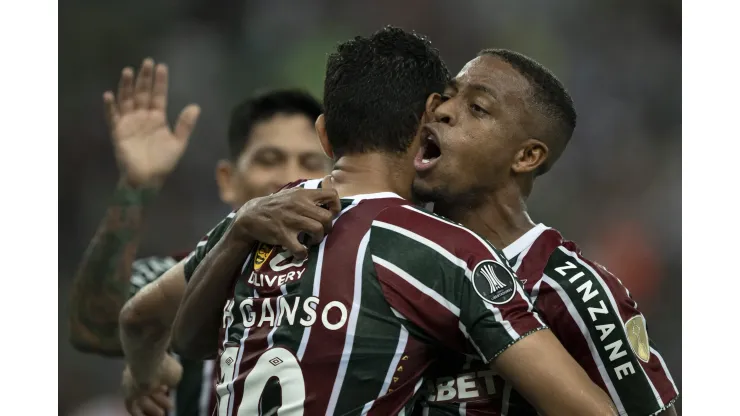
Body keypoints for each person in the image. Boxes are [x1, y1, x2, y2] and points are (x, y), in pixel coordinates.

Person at [168, 27, 617, 416]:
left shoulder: (264, 215)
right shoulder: (444, 252)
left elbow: (179, 337)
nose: (450, 114)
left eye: (475, 108)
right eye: (448, 104)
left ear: (323, 136)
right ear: (426, 127)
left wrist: (238, 231)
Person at [408, 50, 679, 416]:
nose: (442, 110)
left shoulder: (570, 290)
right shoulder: (390, 246)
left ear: (526, 157)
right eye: (448, 94)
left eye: (477, 108)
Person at [67, 57, 330, 416]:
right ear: (227, 180)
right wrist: (137, 185)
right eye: (269, 159)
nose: (290, 178)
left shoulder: (363, 274)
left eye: (310, 163)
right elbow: (93, 327)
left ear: (335, 180)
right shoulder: (180, 276)